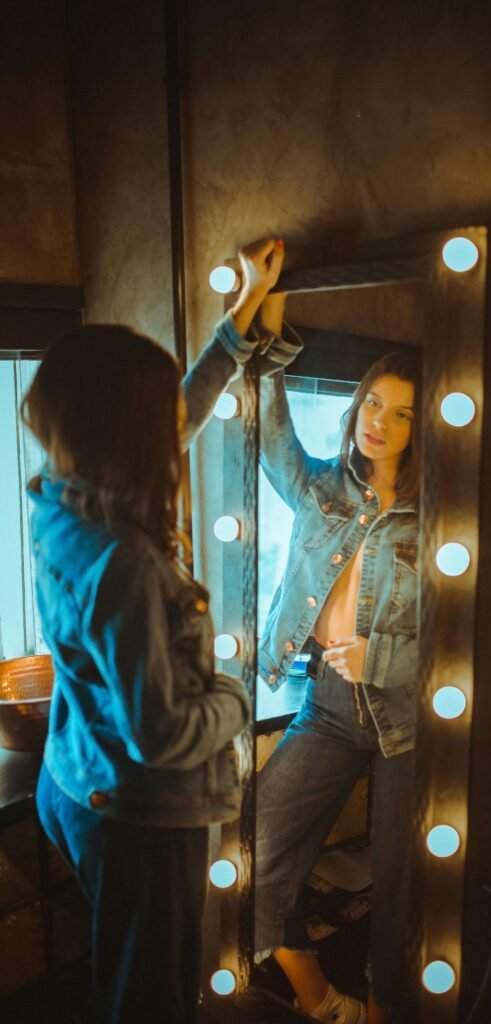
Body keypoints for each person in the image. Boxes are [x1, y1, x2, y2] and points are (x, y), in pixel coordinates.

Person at [23, 239, 285, 1024]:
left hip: (73, 782)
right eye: (164, 409)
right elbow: (164, 734)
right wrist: (238, 698)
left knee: (127, 975)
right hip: (139, 812)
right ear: (135, 432)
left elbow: (181, 414)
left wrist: (240, 318)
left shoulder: (62, 498)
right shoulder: (124, 560)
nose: (180, 419)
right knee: (150, 1000)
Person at [252, 291, 421, 1024]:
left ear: (422, 428)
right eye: (372, 404)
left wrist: (379, 656)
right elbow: (263, 431)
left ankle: (389, 1008)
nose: (378, 423)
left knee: (405, 882)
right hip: (324, 707)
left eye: (402, 413)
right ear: (355, 408)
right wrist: (267, 338)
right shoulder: (321, 485)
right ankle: (317, 995)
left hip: (409, 720)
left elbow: (470, 634)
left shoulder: (442, 515)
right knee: (253, 846)